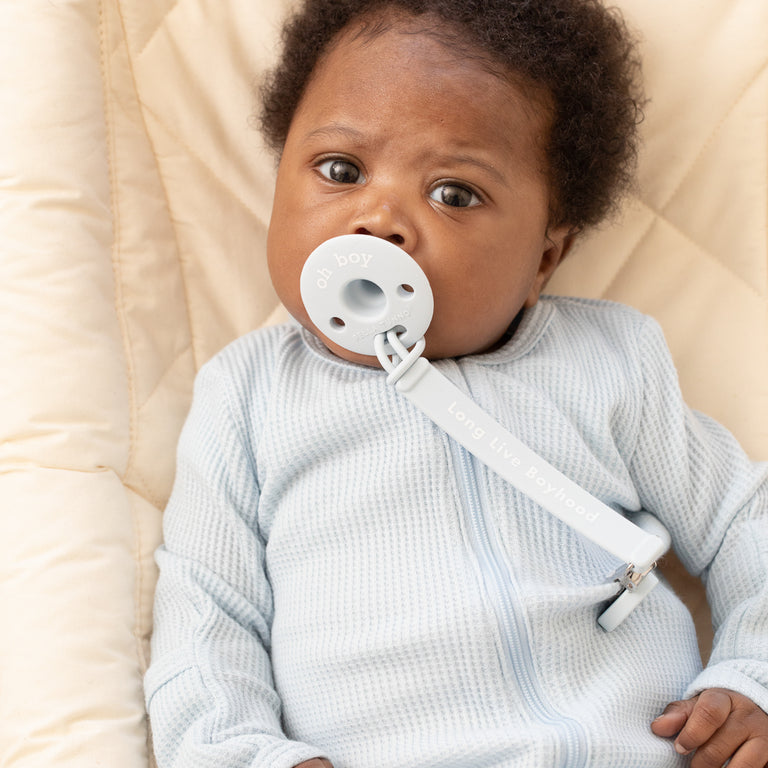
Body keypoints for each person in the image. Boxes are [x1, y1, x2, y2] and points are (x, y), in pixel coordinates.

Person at [144, 0, 768, 766]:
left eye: (454, 194)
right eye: (341, 170)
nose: (381, 219)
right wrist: (250, 756)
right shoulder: (249, 398)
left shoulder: (609, 362)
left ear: (544, 259)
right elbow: (205, 616)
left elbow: (748, 522)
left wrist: (751, 679)